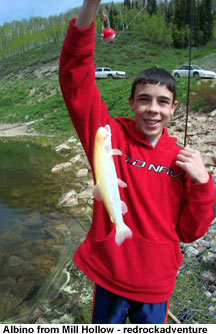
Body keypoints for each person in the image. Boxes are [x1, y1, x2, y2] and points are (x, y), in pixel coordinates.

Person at [59, 0, 215, 324]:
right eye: (144, 100)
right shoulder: (108, 135)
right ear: (131, 103)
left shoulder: (183, 160)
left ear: (174, 109)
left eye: (163, 102)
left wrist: (203, 183)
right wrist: (90, 6)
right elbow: (75, 78)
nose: (153, 109)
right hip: (110, 276)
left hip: (157, 287)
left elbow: (191, 231)